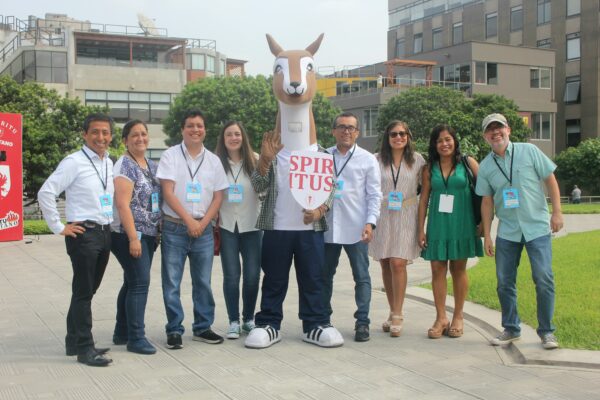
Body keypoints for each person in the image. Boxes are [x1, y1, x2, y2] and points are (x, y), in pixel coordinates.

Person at [244, 131, 343, 349]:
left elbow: (331, 186)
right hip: (277, 227)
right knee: (273, 279)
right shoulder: (274, 152)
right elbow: (258, 186)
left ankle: (315, 323)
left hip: (310, 229)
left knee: (313, 278)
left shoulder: (320, 152)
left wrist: (320, 210)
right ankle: (269, 322)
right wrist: (265, 160)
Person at [476, 113, 563, 350]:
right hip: (508, 231)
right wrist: (488, 234)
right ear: (485, 136)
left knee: (543, 278)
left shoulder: (529, 151)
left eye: (499, 128)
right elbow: (486, 201)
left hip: (537, 228)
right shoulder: (485, 166)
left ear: (508, 130)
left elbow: (550, 179)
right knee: (504, 282)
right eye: (490, 130)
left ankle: (546, 332)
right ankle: (511, 329)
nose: (496, 133)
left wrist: (556, 212)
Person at [38, 113, 115, 367]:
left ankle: (73, 341)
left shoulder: (108, 163)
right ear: (85, 134)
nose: (100, 137)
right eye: (95, 132)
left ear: (111, 136)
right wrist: (59, 227)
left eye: (105, 132)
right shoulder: (74, 162)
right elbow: (46, 192)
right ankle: (85, 348)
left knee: (87, 290)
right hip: (84, 234)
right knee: (83, 292)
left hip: (104, 233)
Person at [156, 109, 229, 349]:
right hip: (175, 228)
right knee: (172, 282)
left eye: (199, 125)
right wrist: (189, 221)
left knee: (203, 282)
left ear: (205, 130)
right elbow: (167, 192)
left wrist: (203, 223)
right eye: (190, 126)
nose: (195, 130)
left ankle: (202, 327)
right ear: (182, 129)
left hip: (204, 231)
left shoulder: (214, 160)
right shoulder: (170, 155)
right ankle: (174, 329)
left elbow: (219, 196)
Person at [417, 125, 483, 339]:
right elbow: (424, 199)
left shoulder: (468, 163)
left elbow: (485, 192)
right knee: (437, 268)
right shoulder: (429, 169)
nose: (444, 144)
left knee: (458, 269)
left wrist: (484, 223)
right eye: (439, 141)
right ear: (434, 145)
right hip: (437, 223)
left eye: (448, 139)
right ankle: (440, 317)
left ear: (454, 141)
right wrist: (421, 229)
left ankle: (458, 316)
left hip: (462, 222)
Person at [322, 112, 381, 342]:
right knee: (324, 277)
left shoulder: (367, 159)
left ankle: (363, 322)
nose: (346, 131)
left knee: (362, 277)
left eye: (351, 128)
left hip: (357, 227)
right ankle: (323, 319)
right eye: (342, 127)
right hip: (327, 228)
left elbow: (374, 195)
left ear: (357, 132)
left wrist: (370, 222)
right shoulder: (323, 156)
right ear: (333, 130)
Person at [369, 120, 426, 337]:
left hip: (407, 213)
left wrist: (423, 225)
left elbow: (427, 191)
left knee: (398, 262)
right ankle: (392, 310)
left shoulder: (418, 160)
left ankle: (398, 314)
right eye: (394, 134)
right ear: (387, 137)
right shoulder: (376, 159)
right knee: (385, 262)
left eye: (403, 133)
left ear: (408, 136)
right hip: (383, 214)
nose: (398, 137)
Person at [110, 120, 161, 354]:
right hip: (129, 234)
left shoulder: (149, 164)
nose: (140, 138)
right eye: (134, 135)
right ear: (125, 140)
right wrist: (133, 238)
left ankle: (122, 332)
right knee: (140, 283)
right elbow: (122, 203)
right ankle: (136, 338)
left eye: (143, 134)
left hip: (149, 233)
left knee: (132, 281)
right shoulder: (125, 165)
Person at [214, 121, 262, 339]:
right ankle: (233, 320)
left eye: (237, 134)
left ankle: (249, 319)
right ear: (223, 140)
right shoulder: (216, 164)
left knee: (252, 276)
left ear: (243, 137)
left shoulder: (257, 160)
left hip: (252, 226)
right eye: (229, 135)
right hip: (227, 226)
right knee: (232, 276)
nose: (233, 138)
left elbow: (267, 188)